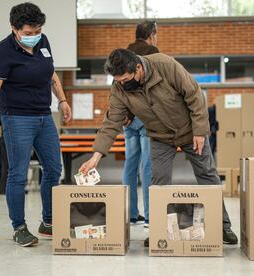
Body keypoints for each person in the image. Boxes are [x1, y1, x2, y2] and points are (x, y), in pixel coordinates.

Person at [79, 49, 238, 247]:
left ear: (138, 67)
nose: (122, 84)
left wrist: (199, 130)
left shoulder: (165, 65)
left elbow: (194, 94)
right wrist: (95, 157)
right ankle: (161, 230)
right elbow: (112, 122)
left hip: (190, 131)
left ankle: (222, 226)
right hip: (160, 137)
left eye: (126, 79)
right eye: (118, 80)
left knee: (207, 174)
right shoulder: (119, 87)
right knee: (158, 184)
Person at [0, 2, 72, 247]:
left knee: (54, 169)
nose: (34, 36)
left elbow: (51, 73)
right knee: (18, 174)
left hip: (44, 116)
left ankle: (48, 222)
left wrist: (62, 100)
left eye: (38, 31)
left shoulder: (43, 42)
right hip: (17, 118)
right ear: (14, 28)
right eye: (29, 33)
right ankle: (19, 227)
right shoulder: (3, 51)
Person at [123, 20, 159, 227]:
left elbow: (119, 85)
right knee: (147, 166)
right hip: (145, 117)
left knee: (130, 164)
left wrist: (125, 113)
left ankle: (130, 214)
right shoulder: (153, 51)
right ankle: (150, 216)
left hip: (128, 118)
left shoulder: (124, 53)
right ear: (152, 34)